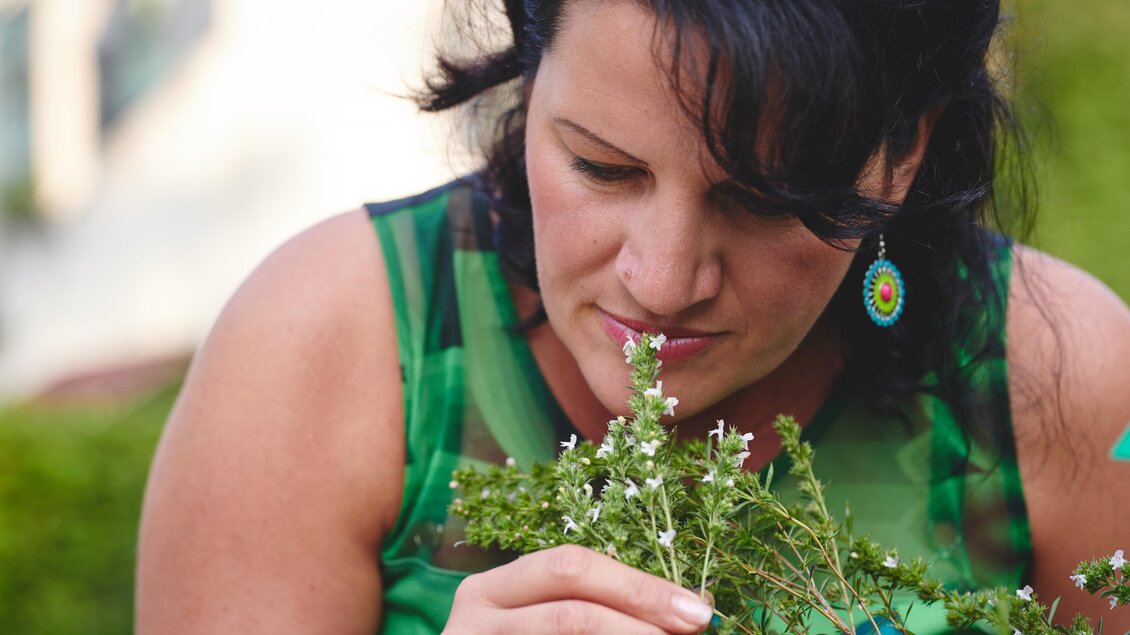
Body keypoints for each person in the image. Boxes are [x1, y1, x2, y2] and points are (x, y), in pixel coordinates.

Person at [134, 0, 1130, 633]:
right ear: (531, 71)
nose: (660, 280)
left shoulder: (1057, 371)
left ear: (900, 153)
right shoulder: (324, 349)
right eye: (602, 167)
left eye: (763, 197)